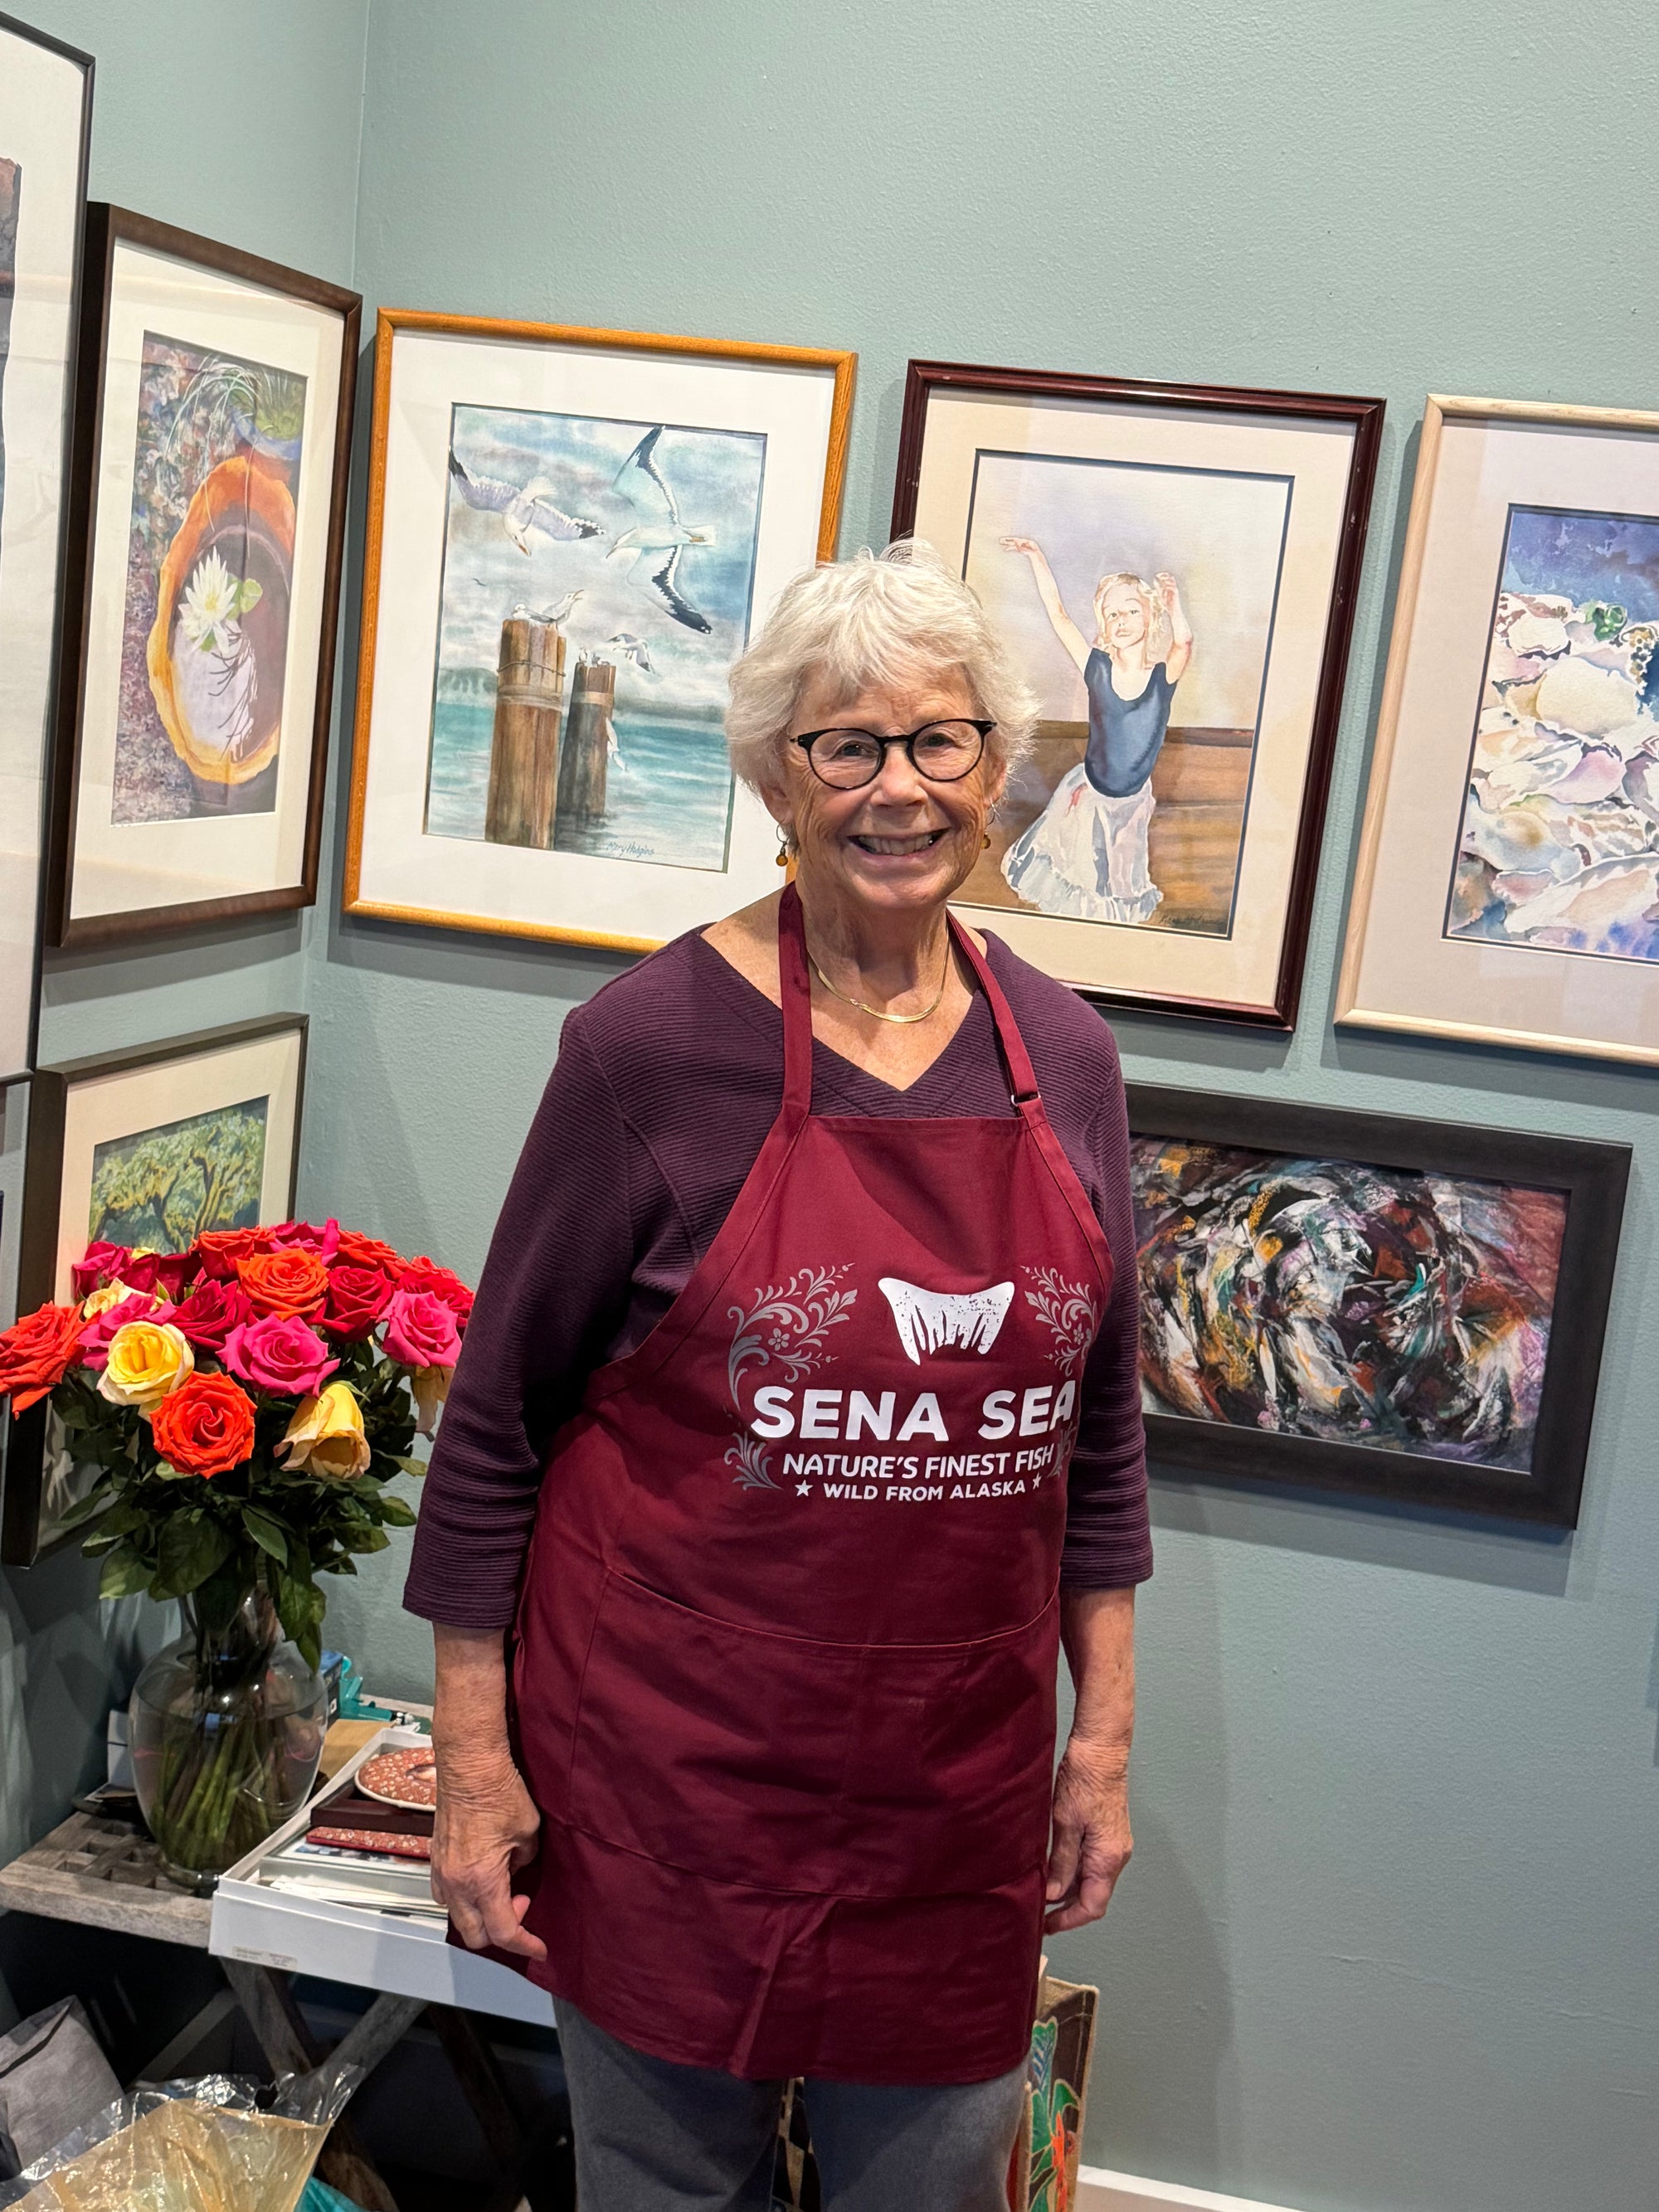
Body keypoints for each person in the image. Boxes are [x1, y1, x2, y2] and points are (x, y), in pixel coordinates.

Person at [404, 541, 1151, 2212]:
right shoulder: (646, 1049)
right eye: (846, 745)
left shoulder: (1071, 1059)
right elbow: (496, 1427)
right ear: (771, 775)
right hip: (677, 1784)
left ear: (997, 766)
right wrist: (473, 1768)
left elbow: (1097, 1440)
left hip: (949, 1801)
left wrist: (1096, 1740)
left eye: (941, 740)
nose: (900, 788)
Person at [999, 539, 1193, 924]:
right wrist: (1037, 555)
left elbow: (1183, 642)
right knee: (1087, 872)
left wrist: (1174, 606)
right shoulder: (1096, 668)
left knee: (1121, 875)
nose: (1120, 621)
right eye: (1112, 614)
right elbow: (1058, 616)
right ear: (1103, 623)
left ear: (1150, 617)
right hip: (1089, 794)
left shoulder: (1161, 677)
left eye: (1131, 612)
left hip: (1133, 800)